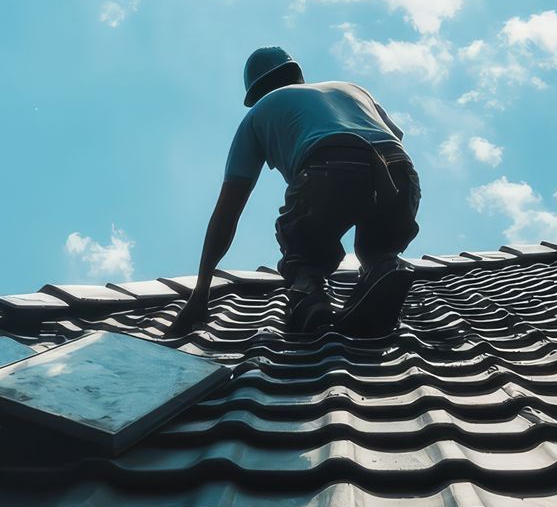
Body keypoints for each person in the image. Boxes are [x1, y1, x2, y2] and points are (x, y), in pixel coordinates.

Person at [169, 46, 421, 336]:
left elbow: (227, 213)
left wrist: (201, 293)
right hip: (401, 172)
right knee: (374, 250)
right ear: (298, 75)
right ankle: (385, 267)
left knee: (302, 248)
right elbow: (395, 137)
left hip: (332, 166)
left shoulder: (260, 112)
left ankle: (311, 303)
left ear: (256, 93)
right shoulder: (351, 89)